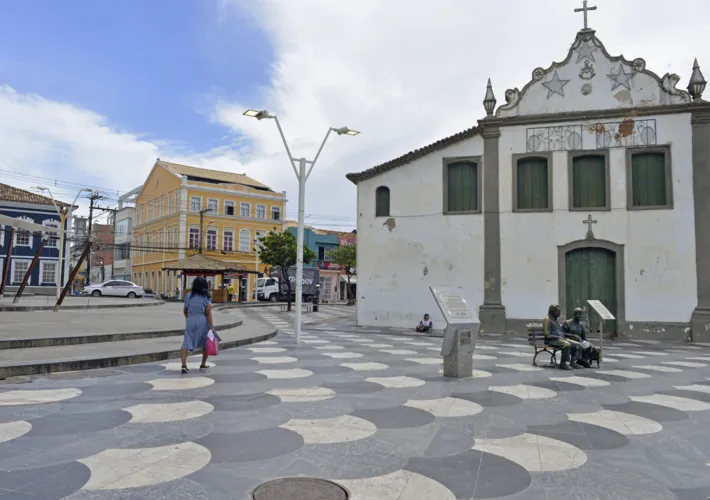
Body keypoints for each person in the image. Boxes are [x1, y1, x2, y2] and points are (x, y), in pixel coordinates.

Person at [180, 277, 219, 374]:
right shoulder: (206, 298)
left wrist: (188, 319)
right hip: (202, 320)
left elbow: (185, 310)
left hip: (191, 319)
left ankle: (184, 364)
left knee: (186, 342)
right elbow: (208, 313)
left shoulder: (188, 296)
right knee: (205, 343)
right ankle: (203, 363)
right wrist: (212, 327)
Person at [543, 304, 582, 370]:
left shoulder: (555, 320)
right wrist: (557, 337)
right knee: (566, 344)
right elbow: (547, 334)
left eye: (560, 311)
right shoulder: (547, 319)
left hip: (560, 339)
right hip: (552, 340)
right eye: (557, 311)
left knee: (578, 345)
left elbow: (561, 333)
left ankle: (572, 362)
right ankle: (563, 363)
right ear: (552, 311)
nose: (559, 313)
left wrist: (571, 335)